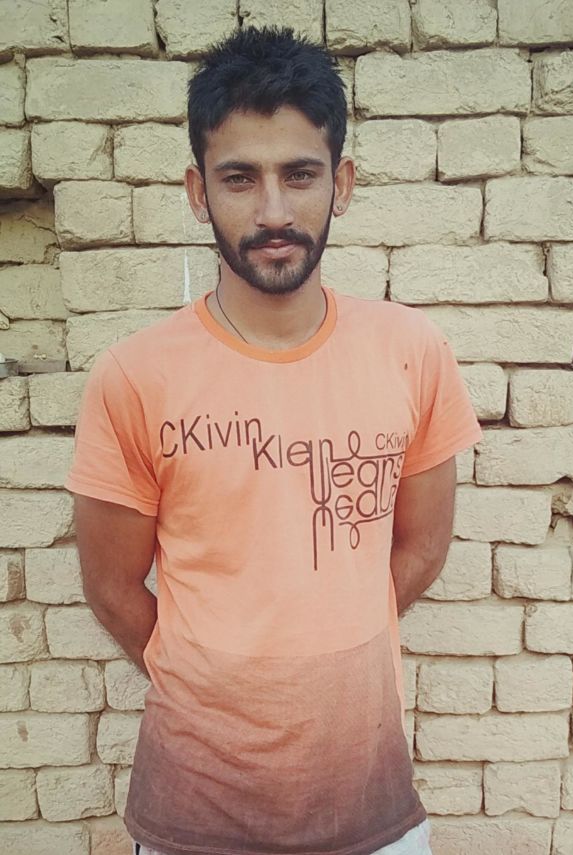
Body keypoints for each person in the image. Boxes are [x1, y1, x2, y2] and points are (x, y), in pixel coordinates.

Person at [65, 25, 482, 855]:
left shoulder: (412, 352)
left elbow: (424, 545)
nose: (274, 212)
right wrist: (216, 678)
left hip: (370, 806)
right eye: (239, 178)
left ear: (342, 183)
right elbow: (111, 586)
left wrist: (330, 641)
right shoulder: (133, 375)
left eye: (300, 174)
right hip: (194, 809)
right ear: (197, 191)